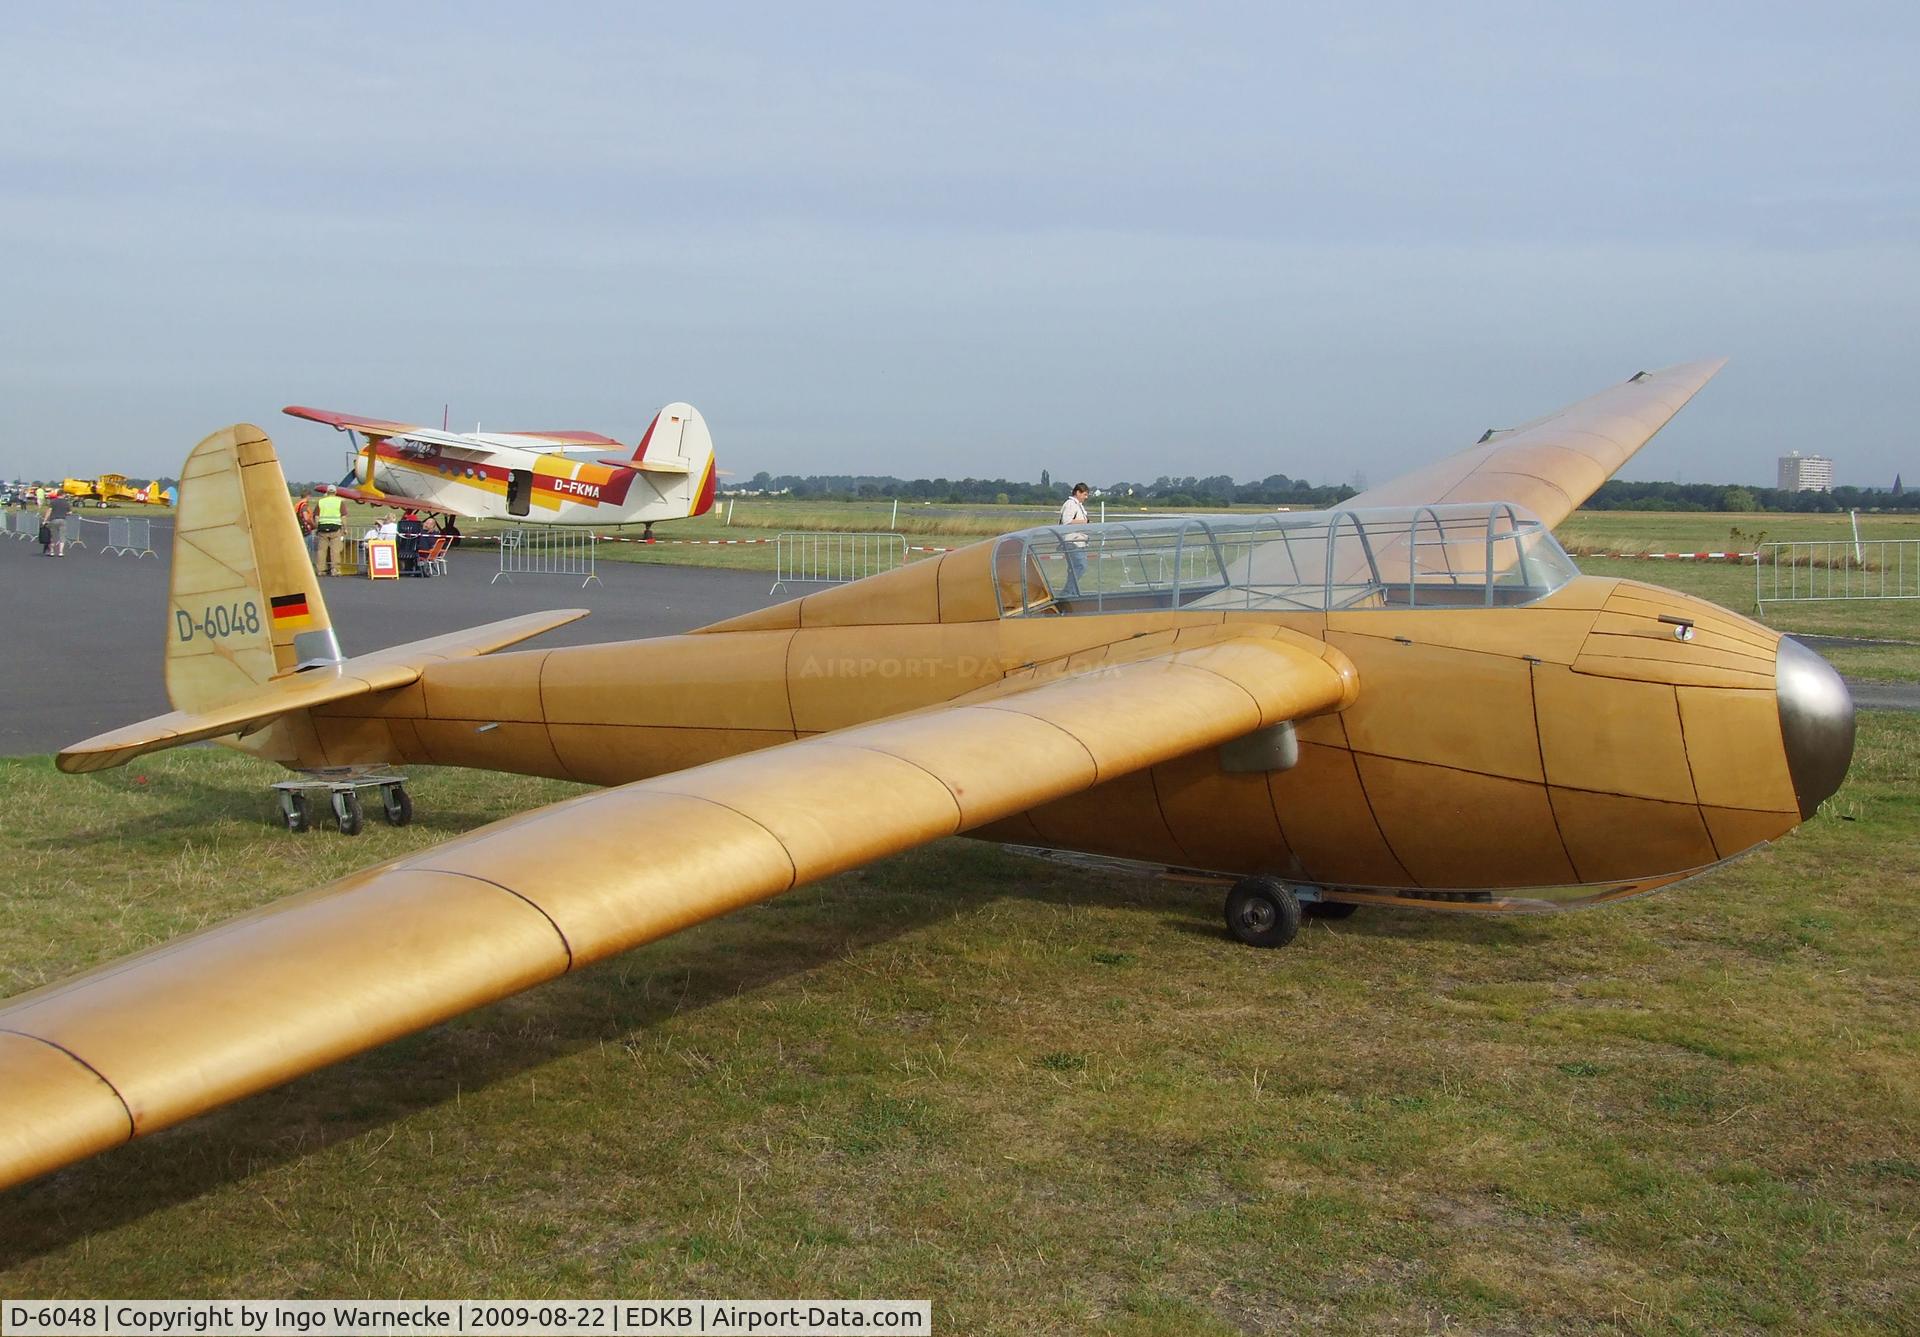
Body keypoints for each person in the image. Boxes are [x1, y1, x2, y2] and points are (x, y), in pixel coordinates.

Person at [1058, 482, 1091, 596]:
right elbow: (1067, 521)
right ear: (1078, 492)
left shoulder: (1078, 505)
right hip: (1072, 541)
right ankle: (1067, 591)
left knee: (1074, 568)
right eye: (1085, 494)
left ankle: (1073, 592)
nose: (1086, 497)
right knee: (1080, 566)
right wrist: (1084, 522)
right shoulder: (1070, 504)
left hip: (1079, 542)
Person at [314, 490, 346, 575]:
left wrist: (318, 527)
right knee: (335, 550)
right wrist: (345, 528)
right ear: (335, 492)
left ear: (327, 493)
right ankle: (335, 570)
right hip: (335, 528)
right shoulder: (339, 502)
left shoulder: (321, 502)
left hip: (323, 528)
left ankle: (320, 570)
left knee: (321, 551)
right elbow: (343, 516)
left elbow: (316, 516)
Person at [41, 492, 72, 557]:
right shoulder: (66, 503)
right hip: (63, 520)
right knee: (62, 536)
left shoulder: (53, 502)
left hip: (53, 520)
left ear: (57, 495)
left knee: (52, 536)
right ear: (63, 495)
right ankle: (61, 552)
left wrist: (45, 520)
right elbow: (70, 512)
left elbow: (49, 511)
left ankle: (52, 551)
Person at [294, 490, 318, 563]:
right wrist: (313, 525)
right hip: (306, 529)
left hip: (298, 527)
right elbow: (306, 517)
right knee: (309, 549)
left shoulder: (297, 504)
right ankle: (309, 564)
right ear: (308, 496)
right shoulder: (304, 505)